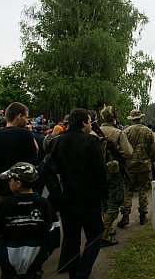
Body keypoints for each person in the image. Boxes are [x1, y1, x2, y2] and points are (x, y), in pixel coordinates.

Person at [50, 108, 108, 279]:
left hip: (66, 199)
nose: (91, 125)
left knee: (72, 242)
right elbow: (100, 172)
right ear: (84, 122)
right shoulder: (90, 142)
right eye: (90, 122)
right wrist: (104, 194)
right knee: (95, 237)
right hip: (88, 199)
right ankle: (82, 273)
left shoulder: (57, 142)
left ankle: (74, 274)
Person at [0, 162, 60, 278]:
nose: (8, 182)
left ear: (18, 183)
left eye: (10, 180)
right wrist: (46, 251)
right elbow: (54, 230)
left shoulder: (6, 204)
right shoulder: (43, 204)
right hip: (35, 260)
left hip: (8, 261)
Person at [99, 106, 133, 247]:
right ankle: (104, 235)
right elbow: (128, 152)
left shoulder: (92, 133)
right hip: (113, 172)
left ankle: (108, 228)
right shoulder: (117, 133)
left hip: (98, 171)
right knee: (115, 200)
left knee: (104, 201)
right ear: (114, 118)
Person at [117, 110, 155, 228]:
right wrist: (153, 162)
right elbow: (152, 149)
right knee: (143, 190)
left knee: (128, 190)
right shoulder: (148, 132)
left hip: (129, 165)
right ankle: (143, 215)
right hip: (144, 165)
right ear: (141, 118)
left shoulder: (126, 132)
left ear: (131, 119)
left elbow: (122, 149)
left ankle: (125, 214)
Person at [0, 102, 38, 205]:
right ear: (18, 116)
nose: (27, 121)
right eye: (26, 117)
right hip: (21, 193)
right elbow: (34, 164)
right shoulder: (25, 135)